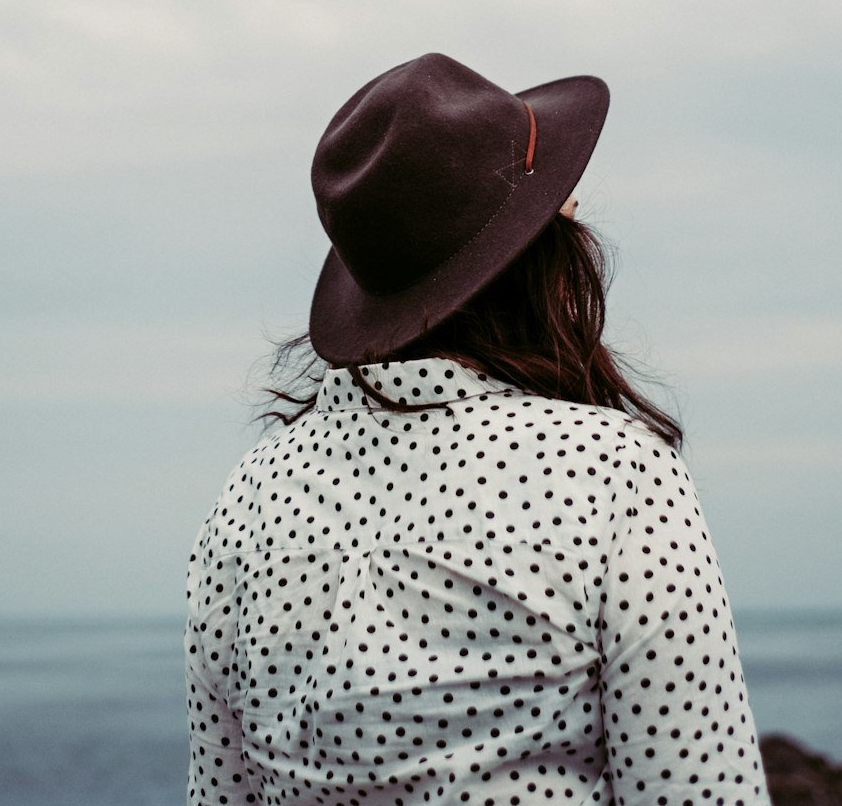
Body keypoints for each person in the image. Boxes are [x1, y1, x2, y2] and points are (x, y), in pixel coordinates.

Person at [185, 53, 771, 806]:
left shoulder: (247, 498)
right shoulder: (615, 474)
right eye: (563, 206)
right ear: (535, 261)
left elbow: (220, 795)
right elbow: (698, 791)